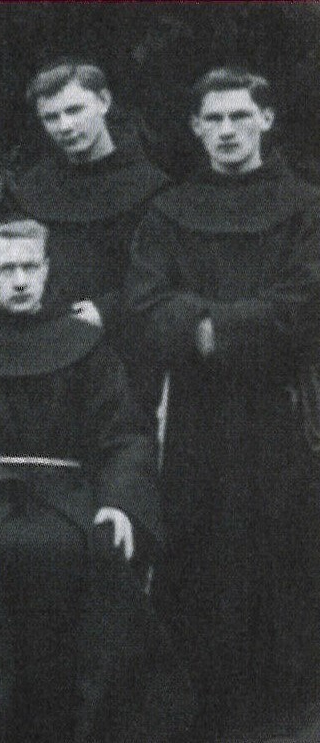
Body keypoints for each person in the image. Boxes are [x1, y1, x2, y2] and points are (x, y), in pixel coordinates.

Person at [0, 217, 183, 743]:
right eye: (5, 269)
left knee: (104, 553)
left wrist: (120, 502)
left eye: (30, 267)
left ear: (46, 270)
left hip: (74, 499)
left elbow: (126, 435)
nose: (20, 281)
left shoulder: (84, 342)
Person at [127, 67, 320, 741]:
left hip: (281, 405)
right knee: (198, 542)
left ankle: (287, 710)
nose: (228, 130)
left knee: (283, 543)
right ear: (196, 128)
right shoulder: (169, 211)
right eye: (214, 119)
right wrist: (202, 329)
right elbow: (147, 302)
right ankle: (201, 709)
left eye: (240, 116)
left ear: (266, 119)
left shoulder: (306, 206)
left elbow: (306, 299)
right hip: (195, 412)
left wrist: (214, 329)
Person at [11, 61, 169, 415]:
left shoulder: (151, 188)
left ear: (103, 102)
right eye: (51, 117)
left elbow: (159, 277)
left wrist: (106, 310)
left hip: (122, 352)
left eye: (75, 110)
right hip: (45, 344)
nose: (65, 126)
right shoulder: (33, 187)